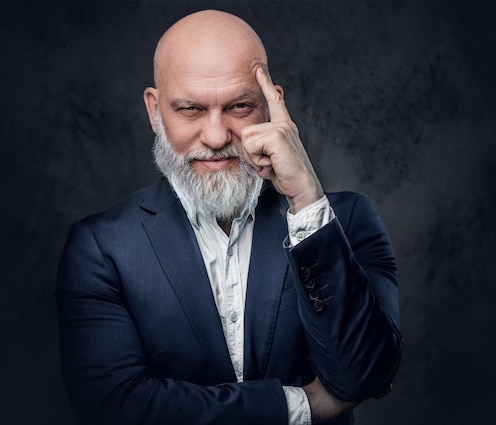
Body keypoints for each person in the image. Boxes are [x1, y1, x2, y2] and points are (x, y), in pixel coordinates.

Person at [56, 9, 402, 425]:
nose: (217, 137)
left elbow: (366, 374)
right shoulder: (100, 248)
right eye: (190, 109)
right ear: (154, 111)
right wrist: (301, 406)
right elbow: (116, 408)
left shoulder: (343, 220)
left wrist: (307, 200)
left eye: (239, 106)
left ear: (272, 106)